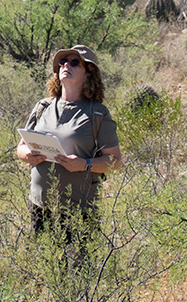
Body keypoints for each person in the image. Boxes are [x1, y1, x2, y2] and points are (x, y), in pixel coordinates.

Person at [17, 44, 121, 238]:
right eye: (63, 62)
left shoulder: (98, 113)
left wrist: (84, 164)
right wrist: (28, 156)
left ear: (89, 74)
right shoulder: (43, 107)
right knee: (44, 267)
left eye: (75, 63)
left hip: (79, 212)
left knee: (79, 268)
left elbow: (114, 161)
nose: (66, 66)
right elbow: (21, 148)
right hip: (41, 208)